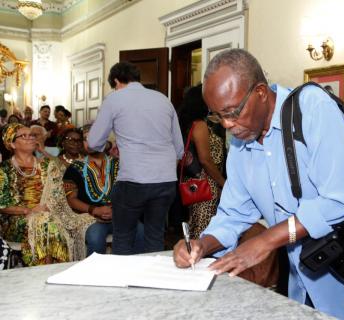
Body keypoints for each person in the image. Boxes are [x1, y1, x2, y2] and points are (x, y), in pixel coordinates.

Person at [173, 49, 344, 320]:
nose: (227, 125)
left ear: (260, 92)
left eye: (233, 112)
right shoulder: (241, 143)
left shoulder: (312, 108)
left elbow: (339, 198)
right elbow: (233, 214)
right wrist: (203, 244)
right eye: (217, 116)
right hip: (302, 286)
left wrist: (266, 241)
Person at [88, 62, 183, 254]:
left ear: (116, 81)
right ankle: (150, 282)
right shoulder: (163, 99)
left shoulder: (114, 99)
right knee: (155, 236)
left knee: (123, 237)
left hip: (133, 179)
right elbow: (179, 149)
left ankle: (122, 281)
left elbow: (93, 143)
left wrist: (107, 146)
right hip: (165, 180)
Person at [64, 124, 144, 256]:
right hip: (89, 217)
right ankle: (96, 275)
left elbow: (130, 192)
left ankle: (135, 272)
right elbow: (72, 200)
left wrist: (117, 210)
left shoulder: (120, 164)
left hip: (120, 215)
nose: (90, 142)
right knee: (95, 236)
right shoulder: (74, 168)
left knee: (140, 231)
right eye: (85, 139)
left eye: (95, 137)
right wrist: (94, 210)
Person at [0, 123, 69, 266]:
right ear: (12, 144)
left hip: (47, 213)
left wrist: (48, 207)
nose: (31, 138)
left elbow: (58, 193)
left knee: (48, 221)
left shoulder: (46, 165)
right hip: (15, 219)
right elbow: (2, 204)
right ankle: (49, 269)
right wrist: (29, 211)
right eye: (24, 136)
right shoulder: (4, 169)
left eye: (32, 135)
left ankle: (49, 270)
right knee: (44, 222)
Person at [178, 84, 226, 239]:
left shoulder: (189, 124)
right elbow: (205, 160)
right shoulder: (200, 125)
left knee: (196, 225)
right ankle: (201, 259)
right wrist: (223, 183)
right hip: (206, 183)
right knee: (204, 229)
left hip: (195, 183)